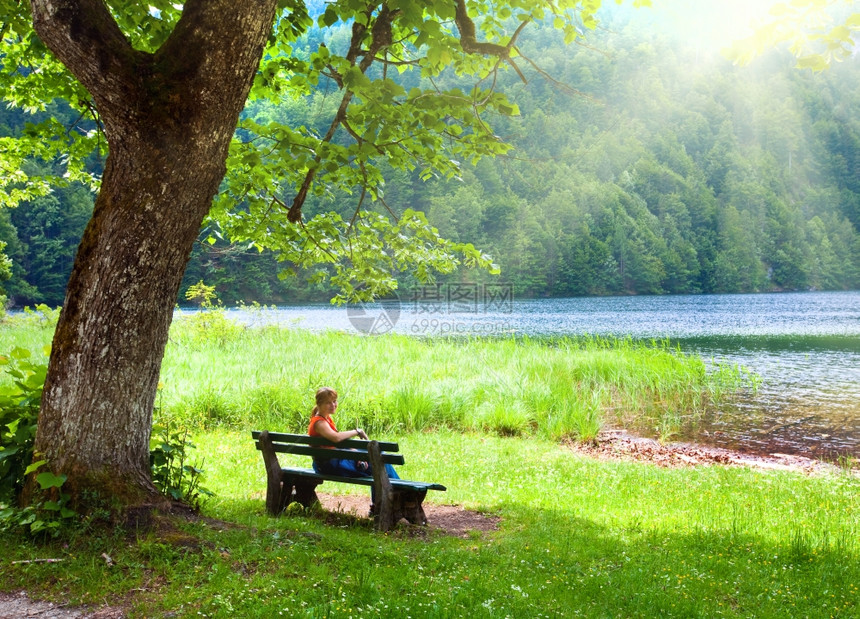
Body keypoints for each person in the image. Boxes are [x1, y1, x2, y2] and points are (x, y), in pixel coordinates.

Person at [307, 387, 399, 510]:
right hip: (331, 466)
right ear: (319, 404)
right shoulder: (319, 423)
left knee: (378, 459)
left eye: (334, 401)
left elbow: (338, 443)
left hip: (330, 463)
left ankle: (385, 501)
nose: (333, 405)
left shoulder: (325, 419)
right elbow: (336, 438)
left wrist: (354, 452)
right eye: (328, 402)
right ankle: (397, 494)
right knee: (378, 464)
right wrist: (356, 431)